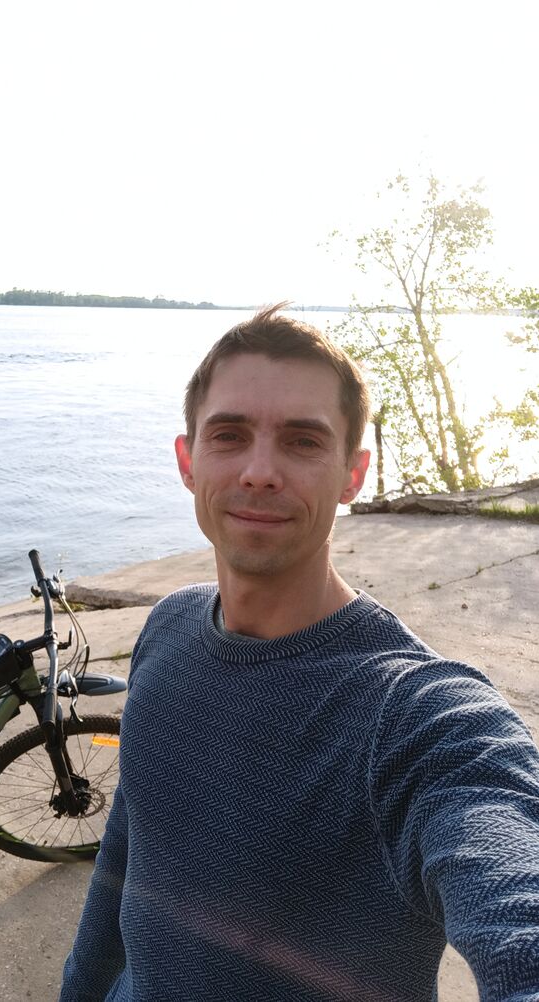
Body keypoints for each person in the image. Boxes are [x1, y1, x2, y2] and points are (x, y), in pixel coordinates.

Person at [59, 305, 539, 1001]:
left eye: (303, 441)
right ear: (188, 462)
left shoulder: (418, 718)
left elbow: (509, 882)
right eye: (229, 435)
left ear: (353, 475)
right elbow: (129, 849)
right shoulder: (167, 628)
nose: (260, 471)